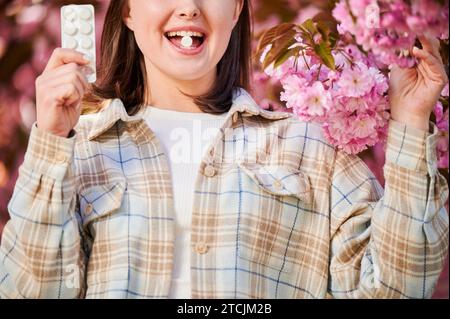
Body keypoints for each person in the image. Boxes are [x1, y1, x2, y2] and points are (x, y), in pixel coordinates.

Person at [0, 0, 448, 299]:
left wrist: (410, 121)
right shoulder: (77, 152)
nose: (190, 7)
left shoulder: (311, 148)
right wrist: (51, 141)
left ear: (235, 9)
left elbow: (396, 287)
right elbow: (29, 291)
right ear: (129, 10)